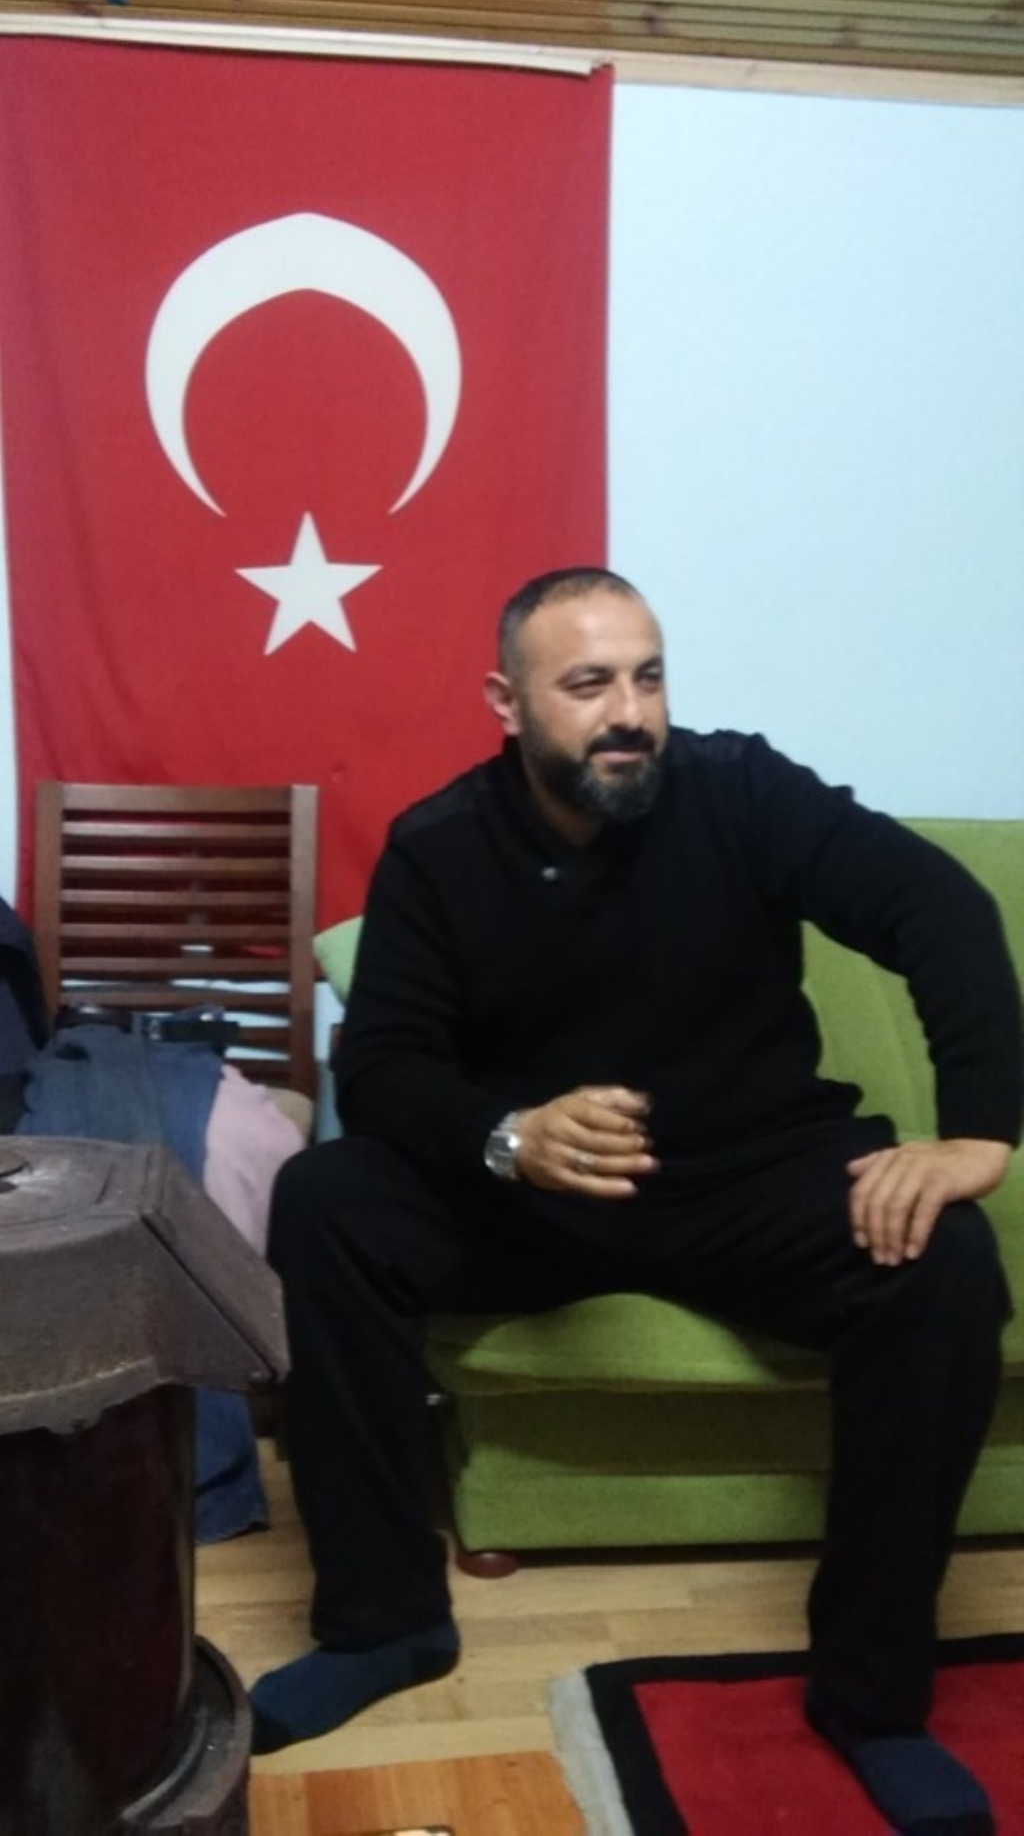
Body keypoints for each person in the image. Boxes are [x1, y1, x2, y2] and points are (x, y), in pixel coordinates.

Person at [252, 568, 1021, 1835]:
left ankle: (872, 1699)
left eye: (647, 677)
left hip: (752, 1175)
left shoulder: (742, 790)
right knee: (328, 1198)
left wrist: (978, 1133)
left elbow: (935, 905)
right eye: (588, 683)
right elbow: (383, 1068)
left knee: (944, 1263)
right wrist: (509, 1136)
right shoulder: (441, 846)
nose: (628, 712)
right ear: (507, 702)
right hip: (543, 1194)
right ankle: (383, 1625)